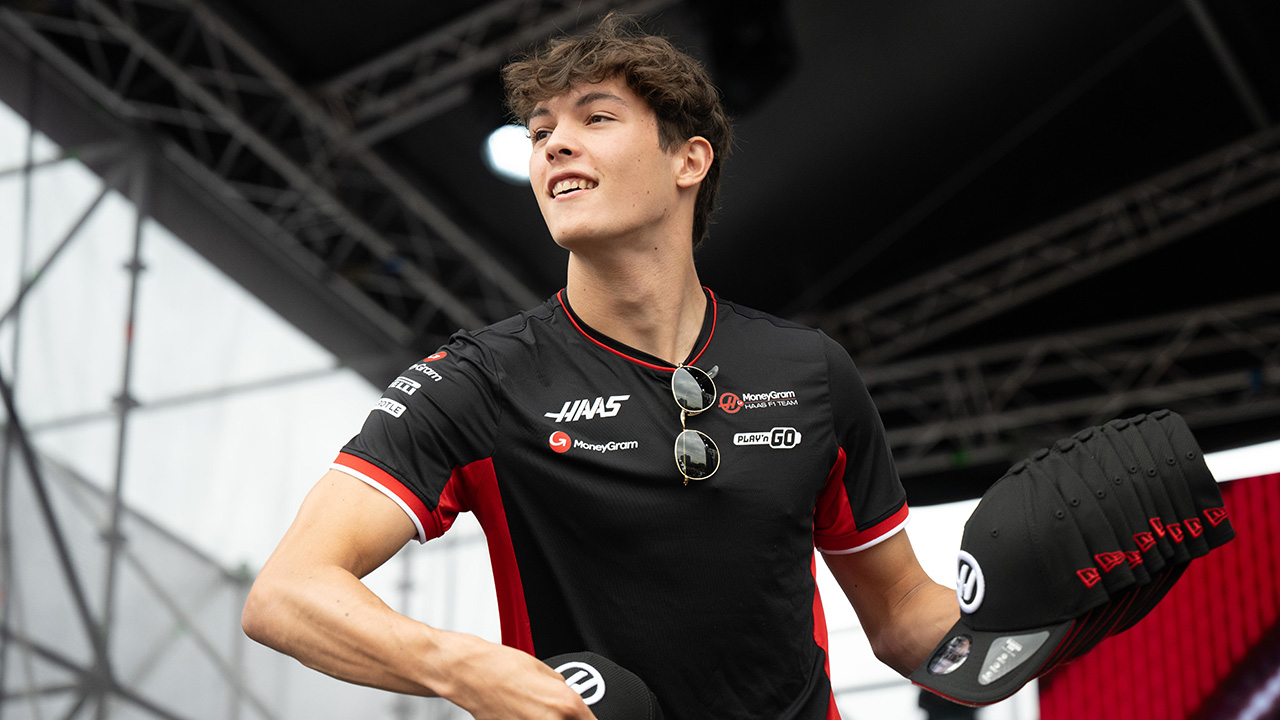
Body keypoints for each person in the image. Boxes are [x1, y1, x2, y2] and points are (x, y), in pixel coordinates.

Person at [241, 14, 959, 720]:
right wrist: (468, 670)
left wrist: (1025, 605)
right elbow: (287, 593)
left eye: (597, 118)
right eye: (540, 132)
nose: (554, 145)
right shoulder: (480, 380)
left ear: (689, 161)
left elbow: (902, 613)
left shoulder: (812, 371)